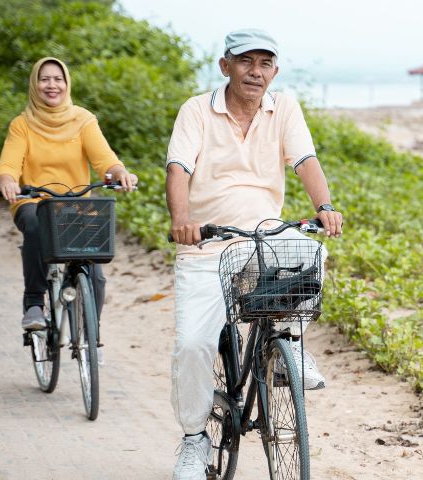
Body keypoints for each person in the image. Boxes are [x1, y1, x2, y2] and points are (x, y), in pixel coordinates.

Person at [165, 28, 343, 479]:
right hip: (207, 246)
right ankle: (193, 441)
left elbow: (305, 160)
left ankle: (288, 346)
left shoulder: (283, 108)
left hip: (263, 238)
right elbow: (178, 168)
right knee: (192, 346)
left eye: (265, 63)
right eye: (246, 62)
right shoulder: (196, 111)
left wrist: (324, 207)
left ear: (275, 71)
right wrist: (182, 219)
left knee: (311, 256)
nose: (255, 72)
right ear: (226, 66)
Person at [0, 57, 137, 330]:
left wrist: (119, 173)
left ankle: (90, 332)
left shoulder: (83, 120)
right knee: (35, 225)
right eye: (44, 78)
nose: (52, 85)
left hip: (75, 203)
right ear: (35, 83)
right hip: (33, 201)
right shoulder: (22, 124)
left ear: (66, 83)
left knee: (95, 267)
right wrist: (7, 181)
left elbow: (104, 160)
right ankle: (34, 303)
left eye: (58, 79)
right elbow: (8, 165)